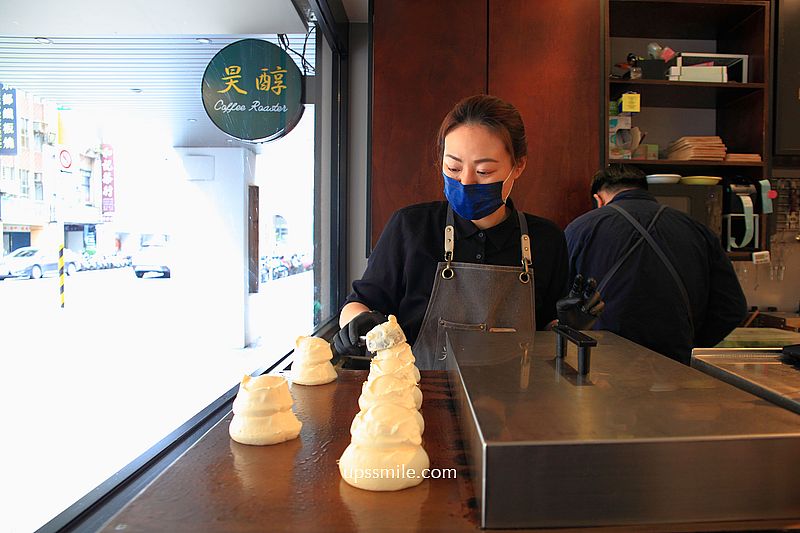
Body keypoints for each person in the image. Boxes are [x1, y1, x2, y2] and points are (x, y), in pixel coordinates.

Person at [333, 94, 602, 370]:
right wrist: (357, 325)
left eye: (484, 171)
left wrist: (568, 325)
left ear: (518, 166)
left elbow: (546, 334)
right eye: (453, 167)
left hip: (516, 405)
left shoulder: (545, 240)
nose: (466, 180)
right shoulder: (410, 227)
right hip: (417, 401)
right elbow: (359, 303)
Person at [564, 164, 747, 365]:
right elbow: (732, 308)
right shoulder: (698, 230)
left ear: (598, 199)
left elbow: (563, 303)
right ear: (645, 190)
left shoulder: (579, 229)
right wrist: (689, 343)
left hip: (602, 364)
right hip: (675, 365)